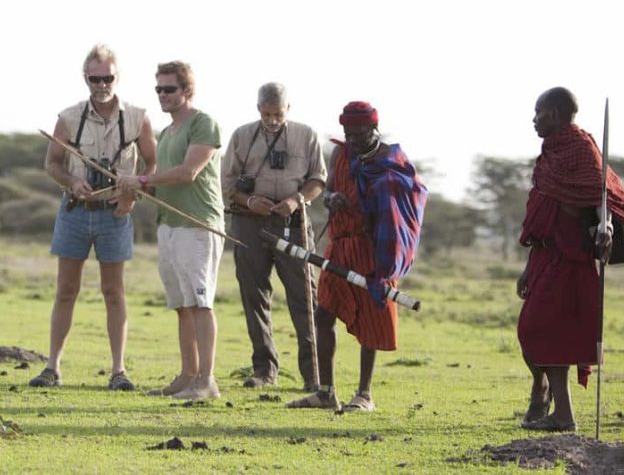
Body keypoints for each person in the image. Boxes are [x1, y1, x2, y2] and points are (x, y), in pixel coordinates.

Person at [516, 87, 624, 431]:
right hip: (544, 255)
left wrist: (604, 224)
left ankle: (563, 416)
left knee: (545, 332)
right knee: (532, 332)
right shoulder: (549, 153)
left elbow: (600, 195)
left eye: (538, 113)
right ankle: (550, 400)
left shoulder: (583, 149)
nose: (533, 120)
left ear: (556, 115)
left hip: (570, 258)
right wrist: (528, 267)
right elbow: (543, 211)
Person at [285, 101, 427, 412]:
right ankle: (325, 393)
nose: (354, 141)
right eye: (349, 135)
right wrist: (333, 199)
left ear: (374, 129)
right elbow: (330, 191)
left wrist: (372, 208)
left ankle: (364, 395)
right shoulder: (340, 153)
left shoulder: (390, 160)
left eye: (360, 135)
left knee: (371, 319)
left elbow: (402, 202)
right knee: (324, 315)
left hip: (373, 249)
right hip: (340, 243)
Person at [30, 44, 156, 391]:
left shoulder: (137, 116)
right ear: (85, 78)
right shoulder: (69, 118)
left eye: (108, 77)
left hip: (115, 213)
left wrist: (132, 194)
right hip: (75, 210)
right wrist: (73, 181)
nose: (102, 84)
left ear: (118, 77)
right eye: (95, 78)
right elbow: (52, 163)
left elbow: (152, 163)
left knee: (113, 291)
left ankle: (119, 371)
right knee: (66, 290)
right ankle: (52, 367)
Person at [117, 61, 225, 400]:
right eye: (159, 90)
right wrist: (133, 188)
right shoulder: (167, 133)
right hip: (169, 225)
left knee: (200, 301)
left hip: (197, 225)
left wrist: (143, 179)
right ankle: (187, 375)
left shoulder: (203, 123)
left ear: (187, 91)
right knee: (181, 304)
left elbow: (188, 172)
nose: (163, 95)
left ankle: (207, 381)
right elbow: (161, 183)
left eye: (170, 89)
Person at [220, 82, 326, 390]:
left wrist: (296, 200)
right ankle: (264, 370)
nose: (272, 120)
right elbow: (228, 184)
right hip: (250, 224)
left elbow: (318, 179)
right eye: (267, 114)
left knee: (305, 296)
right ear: (258, 109)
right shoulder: (241, 136)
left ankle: (314, 374)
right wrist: (250, 201)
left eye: (278, 113)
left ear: (288, 109)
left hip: (293, 223)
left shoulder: (306, 135)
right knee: (254, 296)